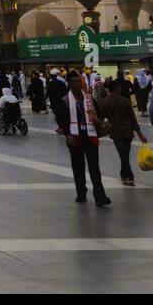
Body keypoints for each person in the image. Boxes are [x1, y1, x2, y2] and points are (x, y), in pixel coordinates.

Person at [55, 72, 110, 206]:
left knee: (94, 167)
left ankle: (100, 196)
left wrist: (99, 121)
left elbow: (100, 113)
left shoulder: (89, 98)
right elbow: (61, 120)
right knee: (78, 167)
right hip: (75, 138)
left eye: (79, 81)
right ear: (69, 83)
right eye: (75, 81)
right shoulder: (65, 100)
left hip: (90, 136)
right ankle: (81, 193)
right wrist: (68, 135)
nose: (78, 84)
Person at [95, 79, 148, 186]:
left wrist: (104, 125)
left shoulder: (104, 102)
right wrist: (139, 133)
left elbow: (99, 118)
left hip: (115, 131)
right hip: (127, 131)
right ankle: (129, 175)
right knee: (124, 154)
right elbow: (133, 119)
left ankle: (124, 174)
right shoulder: (125, 101)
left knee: (123, 154)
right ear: (117, 88)